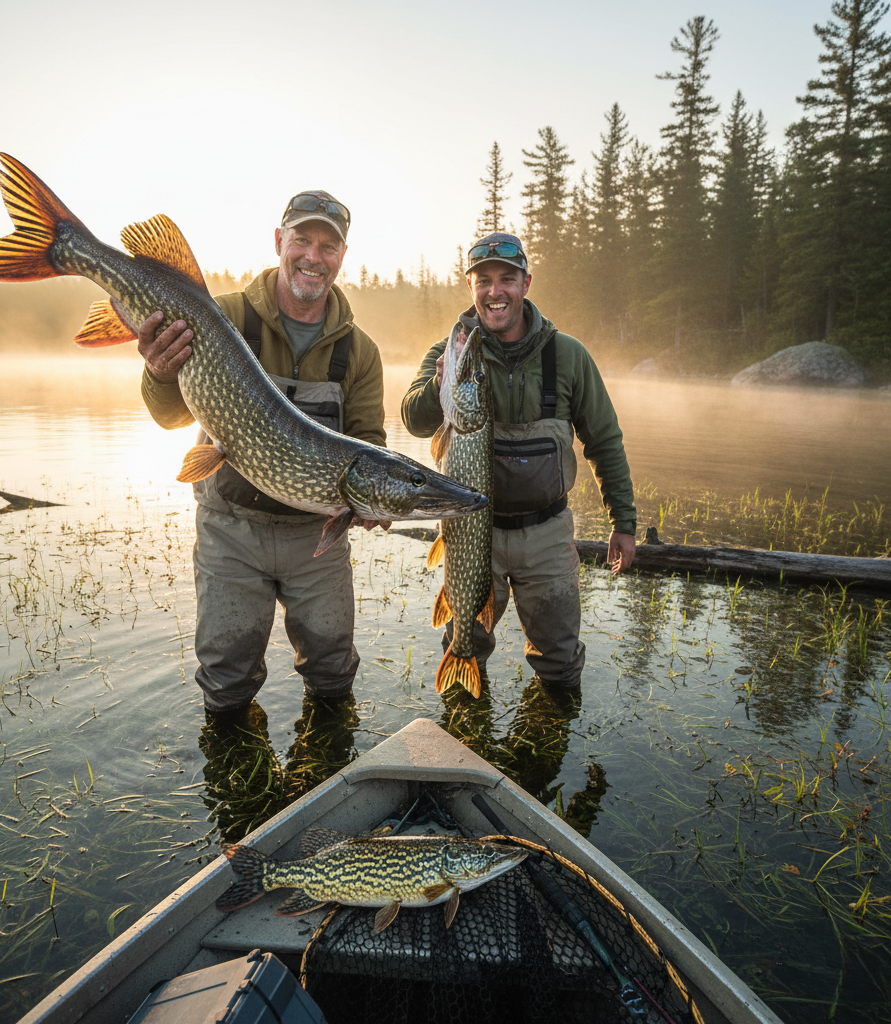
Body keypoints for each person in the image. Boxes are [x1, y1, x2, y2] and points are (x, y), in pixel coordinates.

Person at [138, 191, 387, 716]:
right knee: (226, 681)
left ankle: (324, 765)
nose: (313, 257)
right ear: (279, 242)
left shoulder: (358, 351)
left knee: (332, 670)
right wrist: (159, 372)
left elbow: (371, 446)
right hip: (232, 530)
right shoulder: (223, 316)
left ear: (343, 256)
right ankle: (235, 784)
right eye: (302, 240)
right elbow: (169, 416)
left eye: (328, 246)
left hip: (313, 539)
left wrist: (377, 504)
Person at [401, 232, 636, 690]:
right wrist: (438, 386)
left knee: (560, 662)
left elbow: (604, 440)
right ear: (470, 286)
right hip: (472, 532)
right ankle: (465, 731)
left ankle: (548, 745)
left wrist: (623, 521)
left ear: (526, 283)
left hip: (546, 535)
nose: (495, 291)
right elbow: (412, 418)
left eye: (506, 278)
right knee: (465, 635)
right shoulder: (449, 352)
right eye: (483, 280)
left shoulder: (567, 355)